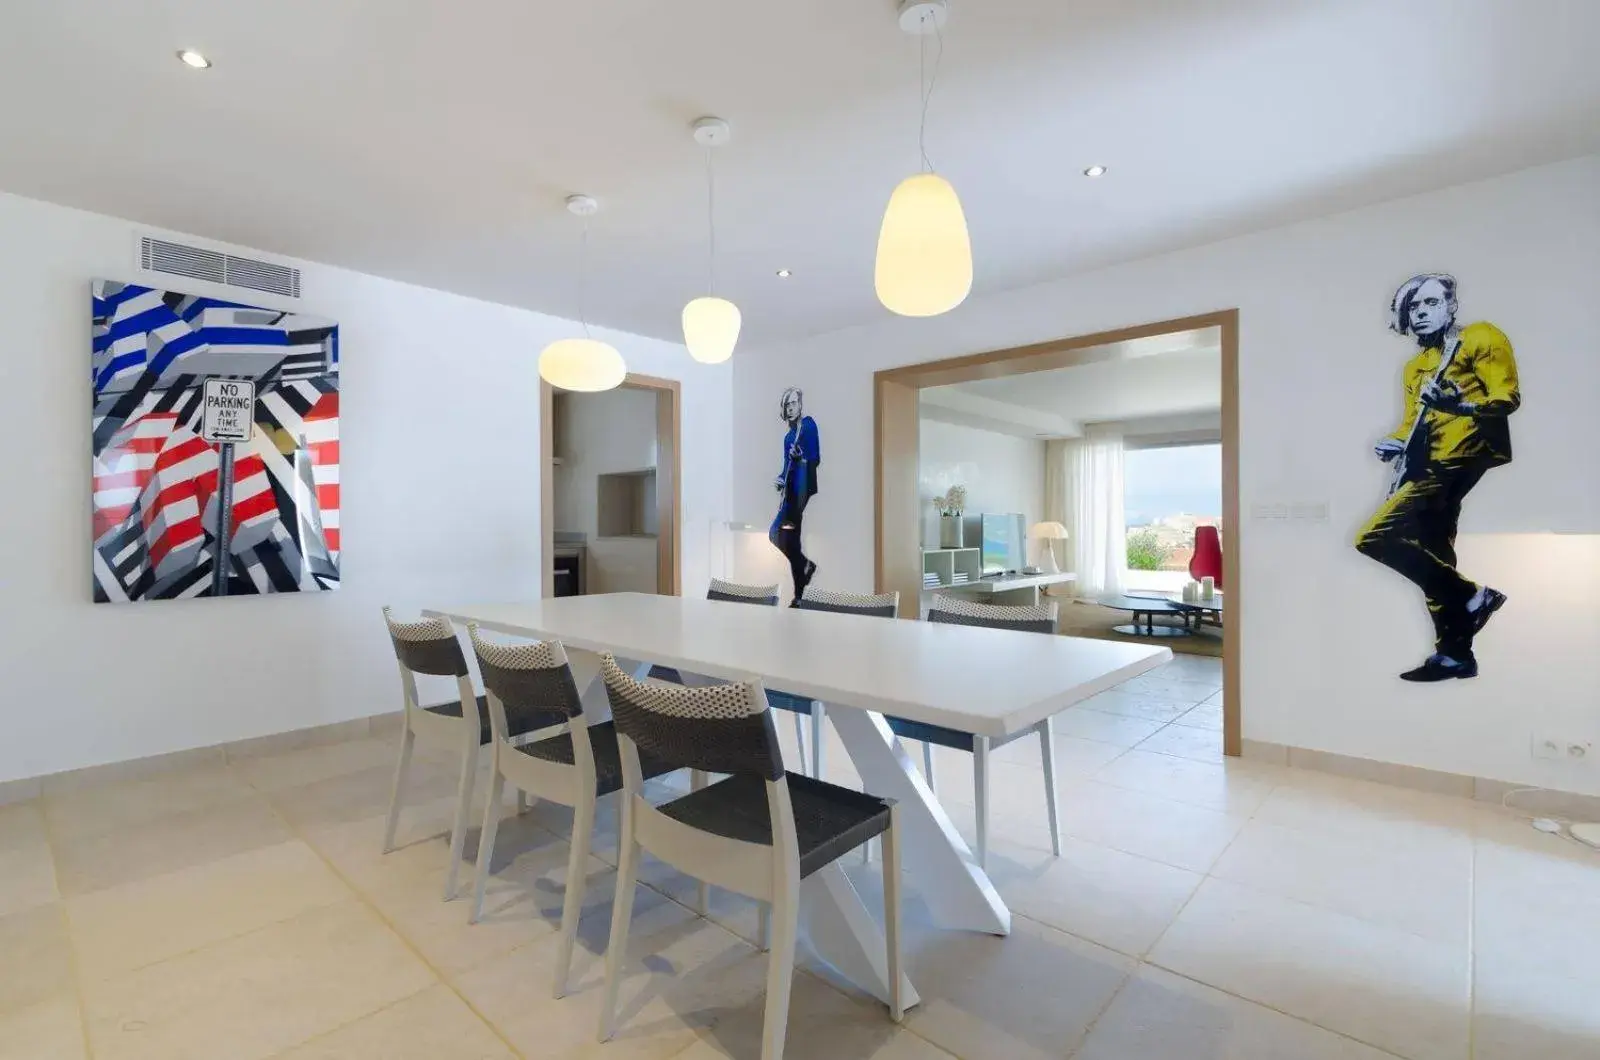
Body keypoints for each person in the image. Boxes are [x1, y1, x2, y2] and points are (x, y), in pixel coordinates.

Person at [1354, 273, 1519, 681]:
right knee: (1436, 555)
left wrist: (1459, 406)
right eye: (1414, 307)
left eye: (1430, 303)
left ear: (1451, 306)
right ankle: (1455, 654)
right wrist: (1393, 442)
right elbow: (1413, 424)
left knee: (1373, 538)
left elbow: (1507, 397)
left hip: (1464, 455)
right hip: (1427, 461)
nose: (1421, 312)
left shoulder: (1481, 337)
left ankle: (1472, 595)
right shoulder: (1416, 367)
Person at [770, 386, 820, 605]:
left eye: (793, 403)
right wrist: (781, 478)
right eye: (786, 405)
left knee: (776, 534)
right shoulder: (788, 436)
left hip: (803, 486)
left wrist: (802, 458)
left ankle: (803, 574)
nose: (790, 408)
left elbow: (815, 457)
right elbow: (785, 465)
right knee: (791, 540)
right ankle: (800, 594)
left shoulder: (808, 425)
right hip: (791, 487)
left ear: (800, 404)